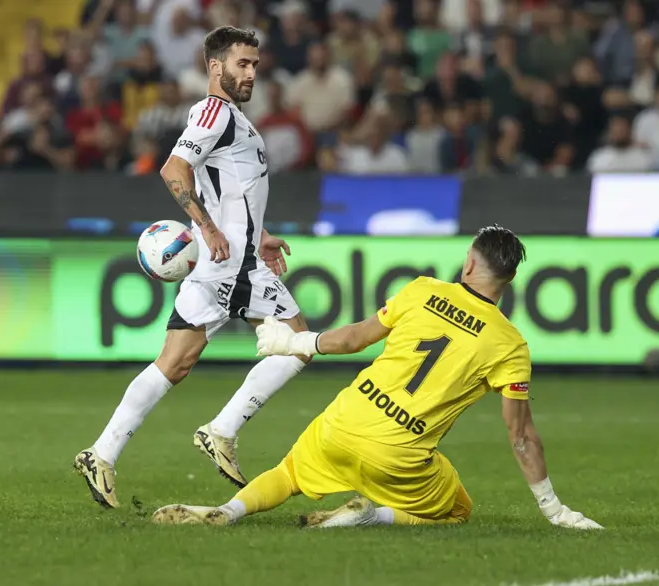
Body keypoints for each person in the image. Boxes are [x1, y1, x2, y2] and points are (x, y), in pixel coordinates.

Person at [152, 225, 604, 531]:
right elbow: (521, 433)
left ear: (468, 264)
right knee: (459, 510)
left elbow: (352, 340)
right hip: (399, 455)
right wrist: (553, 507)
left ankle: (229, 512)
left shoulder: (422, 290)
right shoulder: (509, 344)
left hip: (344, 420)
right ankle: (370, 518)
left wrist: (295, 342)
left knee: (288, 473)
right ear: (509, 279)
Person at [74, 26, 312, 508]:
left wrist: (257, 232)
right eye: (242, 64)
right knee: (299, 345)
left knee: (175, 362)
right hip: (231, 264)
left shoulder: (232, 120)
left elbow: (226, 188)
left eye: (254, 65)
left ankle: (101, 452)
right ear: (215, 67)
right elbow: (173, 170)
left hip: (222, 260)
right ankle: (221, 430)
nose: (251, 73)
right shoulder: (214, 112)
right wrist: (207, 227)